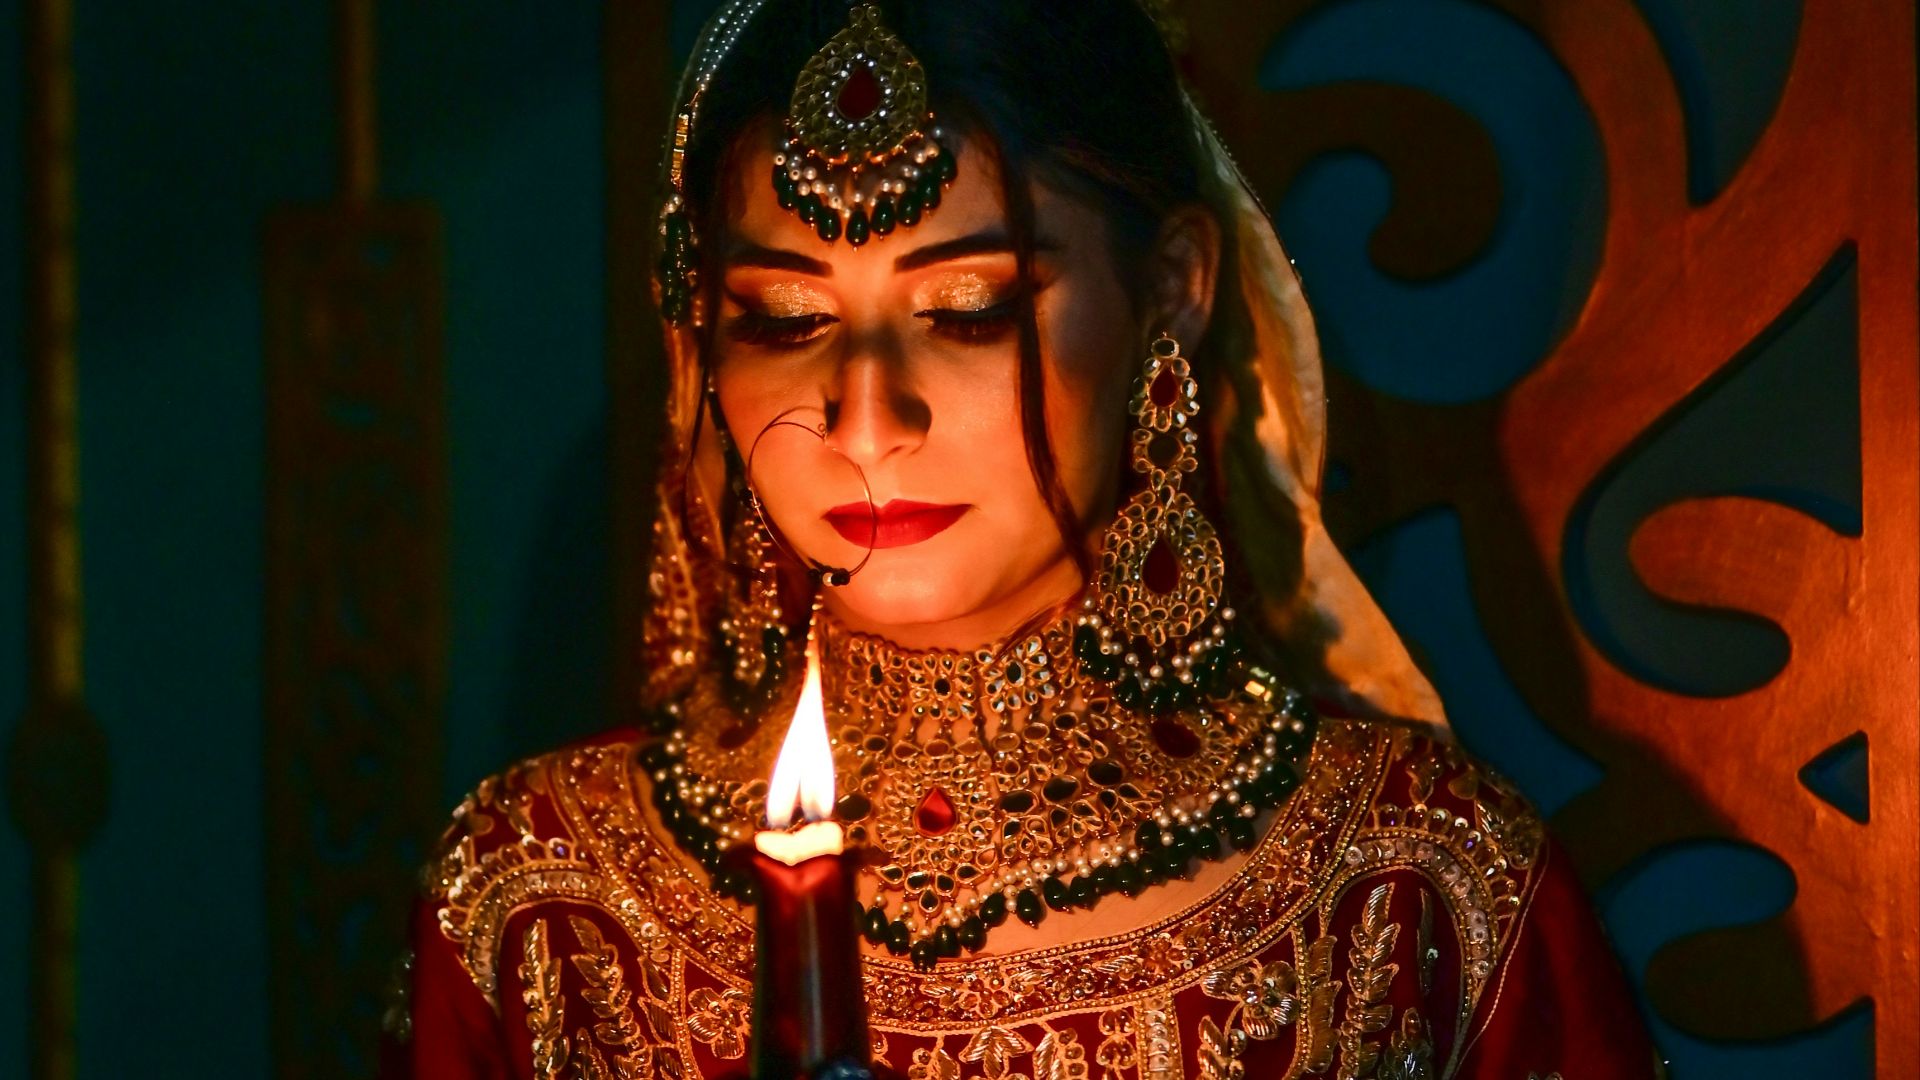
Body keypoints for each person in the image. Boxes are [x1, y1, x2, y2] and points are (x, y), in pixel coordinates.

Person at [381, 2, 1658, 1077]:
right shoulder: (544, 903)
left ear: (1171, 287)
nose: (866, 420)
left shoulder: (1410, 884)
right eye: (782, 320)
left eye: (968, 308)